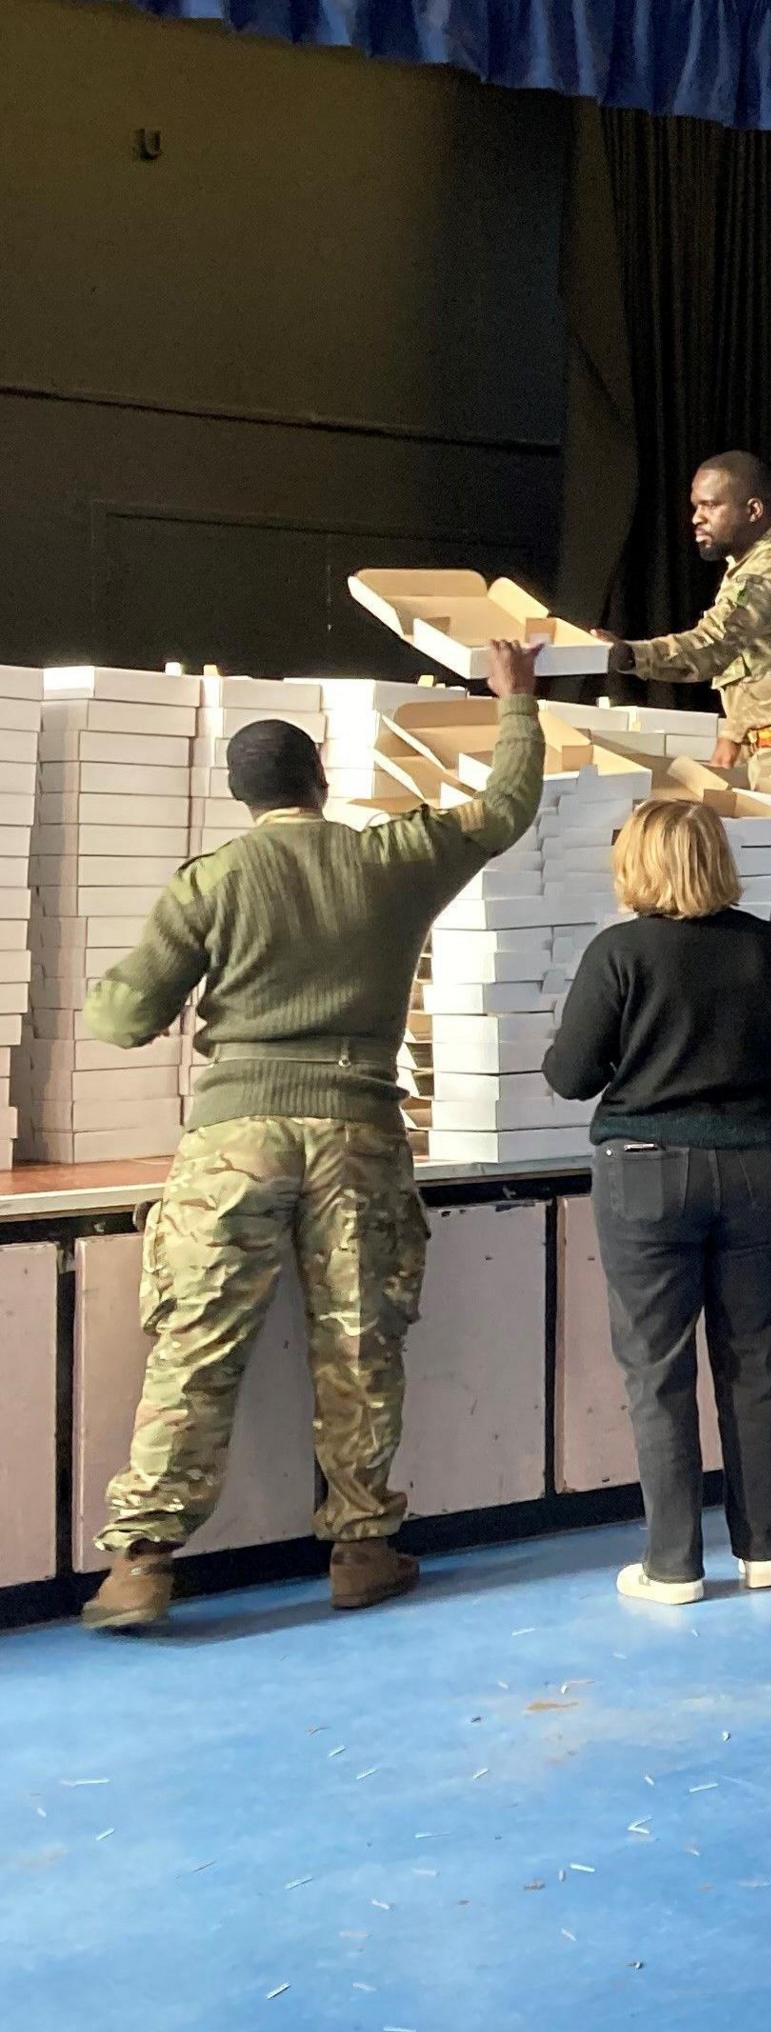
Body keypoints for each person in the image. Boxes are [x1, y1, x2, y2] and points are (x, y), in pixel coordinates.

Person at [77, 643, 549, 1633]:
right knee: (361, 1342)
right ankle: (362, 1549)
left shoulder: (210, 884)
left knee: (197, 1344)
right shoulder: (391, 860)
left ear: (243, 797)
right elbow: (505, 810)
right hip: (357, 1131)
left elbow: (121, 1020)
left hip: (231, 1141)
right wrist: (515, 703)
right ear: (320, 782)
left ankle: (142, 1564)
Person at [544, 797, 771, 1605]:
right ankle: (764, 1550)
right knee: (752, 1358)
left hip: (646, 1171)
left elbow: (571, 1077)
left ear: (636, 863)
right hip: (762, 1166)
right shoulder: (768, 947)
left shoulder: (618, 953)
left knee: (656, 1368)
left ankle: (673, 1565)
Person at [603, 452, 771, 787]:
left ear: (753, 510)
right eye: (696, 506)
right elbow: (758, 658)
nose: (696, 518)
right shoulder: (754, 563)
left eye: (710, 506)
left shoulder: (769, 571)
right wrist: (735, 732)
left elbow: (712, 645)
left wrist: (628, 655)